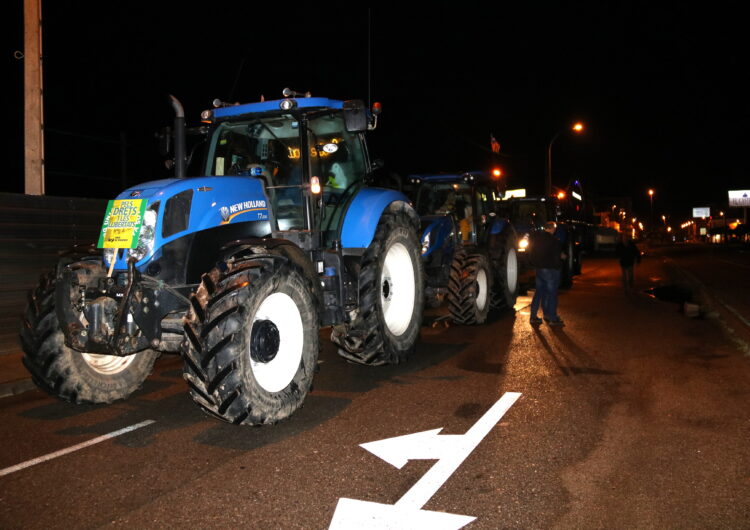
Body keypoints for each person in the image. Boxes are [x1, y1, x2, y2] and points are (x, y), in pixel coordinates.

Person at [528, 221, 566, 326]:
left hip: (539, 270)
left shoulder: (536, 240)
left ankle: (533, 316)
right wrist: (560, 262)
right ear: (552, 228)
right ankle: (552, 317)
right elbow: (556, 257)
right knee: (552, 294)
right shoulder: (554, 241)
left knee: (539, 293)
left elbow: (531, 255)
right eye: (555, 228)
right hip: (550, 270)